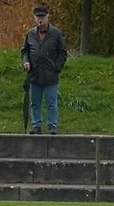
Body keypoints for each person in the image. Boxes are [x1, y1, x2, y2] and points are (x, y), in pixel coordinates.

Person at [21, 4, 67, 135]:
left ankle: (52, 126)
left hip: (50, 74)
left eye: (42, 17)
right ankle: (36, 125)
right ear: (34, 18)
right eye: (38, 17)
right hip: (34, 74)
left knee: (51, 102)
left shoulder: (56, 34)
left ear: (47, 17)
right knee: (35, 103)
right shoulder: (30, 34)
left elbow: (62, 53)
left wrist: (56, 67)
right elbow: (25, 51)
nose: (40, 20)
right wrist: (26, 62)